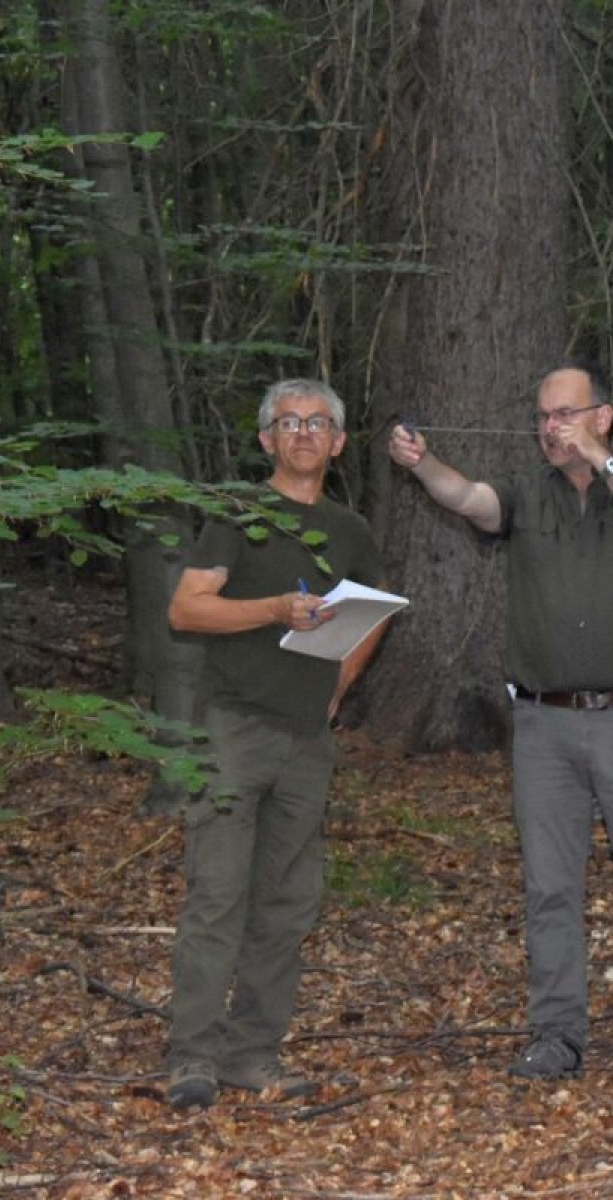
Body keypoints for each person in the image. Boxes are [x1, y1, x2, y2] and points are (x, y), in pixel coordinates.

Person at [387, 364, 613, 1092]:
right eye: (542, 415)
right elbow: (468, 499)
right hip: (543, 723)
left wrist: (601, 458)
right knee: (550, 887)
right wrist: (423, 463)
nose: (549, 427)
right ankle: (557, 1032)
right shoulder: (526, 490)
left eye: (565, 414)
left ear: (604, 414)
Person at [162, 378, 389, 1110]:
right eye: (287, 422)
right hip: (234, 728)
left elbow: (375, 612)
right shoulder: (239, 517)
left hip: (306, 738)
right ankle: (193, 1055)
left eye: (318, 422)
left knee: (287, 903)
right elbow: (187, 609)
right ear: (266, 439)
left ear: (339, 443)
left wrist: (340, 684)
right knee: (218, 895)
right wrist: (274, 609)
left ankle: (252, 1052)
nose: (302, 433)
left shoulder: (349, 529)